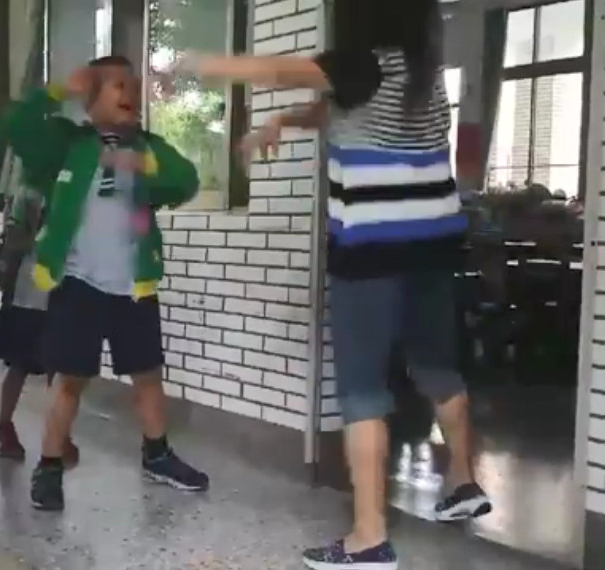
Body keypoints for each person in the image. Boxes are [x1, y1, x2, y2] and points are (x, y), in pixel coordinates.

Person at [177, 0, 491, 567]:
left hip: (371, 247)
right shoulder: (423, 75)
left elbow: (280, 71)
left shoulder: (360, 63)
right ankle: (464, 482)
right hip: (435, 244)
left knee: (362, 389)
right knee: (437, 364)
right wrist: (282, 122)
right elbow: (334, 108)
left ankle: (369, 538)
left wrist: (202, 63)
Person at [3, 55, 210, 512]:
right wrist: (59, 90)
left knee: (147, 374)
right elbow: (17, 126)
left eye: (133, 86)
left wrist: (142, 163)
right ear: (91, 97)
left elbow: (186, 180)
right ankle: (49, 466)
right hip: (77, 282)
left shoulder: (149, 147)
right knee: (70, 379)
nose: (130, 92)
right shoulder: (67, 145)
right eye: (117, 84)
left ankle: (157, 454)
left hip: (134, 285)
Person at [0, 179, 79, 462]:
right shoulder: (29, 191)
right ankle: (3, 426)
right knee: (19, 364)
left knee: (59, 368)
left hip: (65, 291)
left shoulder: (76, 184)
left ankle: (59, 432)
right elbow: (13, 240)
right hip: (30, 292)